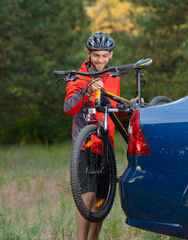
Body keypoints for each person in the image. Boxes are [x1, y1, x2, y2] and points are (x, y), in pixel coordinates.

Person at [63, 32, 122, 240]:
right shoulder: (79, 77)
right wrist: (87, 90)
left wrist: (127, 105)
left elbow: (114, 107)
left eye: (104, 55)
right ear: (88, 54)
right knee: (86, 196)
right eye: (96, 55)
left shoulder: (113, 76)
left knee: (101, 199)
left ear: (111, 55)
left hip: (106, 146)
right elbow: (68, 107)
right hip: (85, 145)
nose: (100, 60)